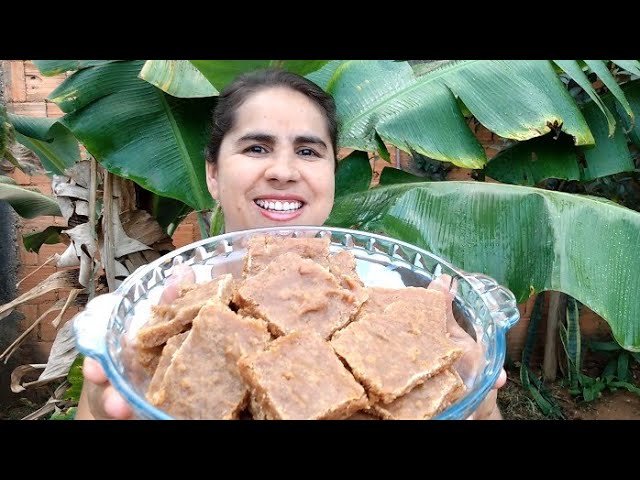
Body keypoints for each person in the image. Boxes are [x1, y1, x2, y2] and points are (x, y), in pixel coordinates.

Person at [76, 68, 506, 420]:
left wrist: (481, 408)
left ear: (331, 175)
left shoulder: (399, 296)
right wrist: (103, 410)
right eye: (257, 147)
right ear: (212, 173)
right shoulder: (152, 314)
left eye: (307, 152)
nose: (283, 170)